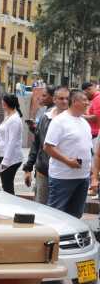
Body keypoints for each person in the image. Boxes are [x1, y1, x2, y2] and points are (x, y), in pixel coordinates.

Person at [44, 90, 93, 218]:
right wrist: (68, 161)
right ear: (75, 102)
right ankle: (53, 238)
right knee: (56, 214)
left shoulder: (84, 122)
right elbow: (48, 147)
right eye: (84, 100)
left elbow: (88, 148)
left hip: (83, 177)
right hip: (63, 177)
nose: (88, 103)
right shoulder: (60, 121)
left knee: (76, 215)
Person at [24, 86, 69, 204]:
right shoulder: (45, 116)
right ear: (54, 99)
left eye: (67, 98)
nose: (64, 101)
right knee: (42, 207)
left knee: (58, 209)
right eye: (61, 98)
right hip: (44, 170)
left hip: (64, 172)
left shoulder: (74, 120)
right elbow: (37, 143)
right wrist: (28, 168)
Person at [0, 95, 24, 195]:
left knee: (7, 186)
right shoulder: (8, 116)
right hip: (3, 154)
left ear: (6, 104)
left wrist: (6, 161)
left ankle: (11, 207)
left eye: (3, 102)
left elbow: (12, 141)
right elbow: (1, 135)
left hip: (10, 158)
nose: (1, 104)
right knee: (6, 185)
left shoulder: (15, 120)